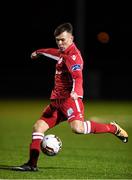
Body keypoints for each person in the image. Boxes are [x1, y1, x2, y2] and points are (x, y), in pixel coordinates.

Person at [14, 22, 128, 171]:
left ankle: (112, 128)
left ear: (72, 38)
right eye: (58, 40)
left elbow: (78, 77)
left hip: (69, 100)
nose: (60, 43)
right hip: (56, 101)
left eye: (63, 40)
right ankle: (31, 164)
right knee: (38, 127)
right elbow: (55, 53)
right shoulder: (63, 53)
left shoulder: (73, 56)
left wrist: (77, 92)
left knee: (78, 129)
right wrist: (40, 51)